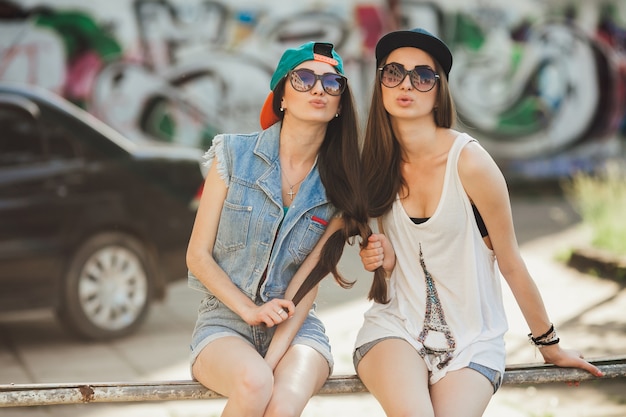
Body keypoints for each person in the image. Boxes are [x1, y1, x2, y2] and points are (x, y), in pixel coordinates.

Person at [354, 28, 603, 417]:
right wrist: (382, 259)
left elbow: (511, 262)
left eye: (423, 76)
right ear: (381, 83)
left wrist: (549, 344)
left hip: (473, 338)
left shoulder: (469, 162)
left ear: (439, 91)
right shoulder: (375, 165)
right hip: (395, 329)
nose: (407, 84)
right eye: (394, 72)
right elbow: (397, 259)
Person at [186, 41, 371, 417]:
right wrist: (249, 312)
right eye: (303, 78)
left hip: (298, 329)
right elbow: (197, 256)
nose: (318, 89)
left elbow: (305, 287)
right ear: (281, 96)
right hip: (223, 321)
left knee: (279, 400)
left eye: (332, 83)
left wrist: (270, 363)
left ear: (339, 104)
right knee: (253, 383)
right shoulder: (232, 155)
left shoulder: (341, 188)